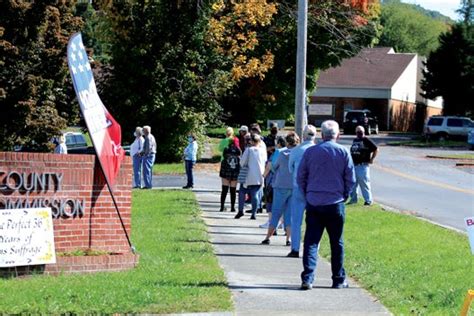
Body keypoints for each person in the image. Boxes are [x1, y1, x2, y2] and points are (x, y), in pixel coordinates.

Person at [297, 120, 355, 290]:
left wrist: (307, 193)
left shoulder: (310, 152)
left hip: (314, 202)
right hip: (335, 202)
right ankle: (338, 279)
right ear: (337, 135)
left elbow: (301, 176)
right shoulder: (343, 152)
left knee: (311, 241)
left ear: (322, 135)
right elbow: (350, 179)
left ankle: (308, 278)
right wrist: (344, 195)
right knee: (336, 242)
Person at [261, 132, 299, 246]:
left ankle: (268, 237)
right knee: (289, 213)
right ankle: (289, 239)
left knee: (276, 211)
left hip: (280, 185)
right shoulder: (299, 154)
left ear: (287, 142)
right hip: (293, 186)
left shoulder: (282, 153)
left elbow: (274, 166)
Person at [287, 125, 317, 258]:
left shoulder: (296, 150)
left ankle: (295, 248)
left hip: (298, 187)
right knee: (315, 221)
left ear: (303, 136)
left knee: (296, 221)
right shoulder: (318, 150)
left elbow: (290, 168)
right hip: (314, 189)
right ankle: (312, 250)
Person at [235, 133, 265, 219]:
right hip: (259, 175)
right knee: (255, 193)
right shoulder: (262, 151)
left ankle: (240, 211)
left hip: (247, 175)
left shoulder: (248, 150)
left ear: (251, 141)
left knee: (242, 192)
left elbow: (242, 162)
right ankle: (254, 213)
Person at [348, 125, 378, 206]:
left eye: (360, 132)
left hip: (363, 165)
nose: (359, 133)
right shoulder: (355, 140)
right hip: (354, 165)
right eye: (357, 132)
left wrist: (371, 159)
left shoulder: (366, 140)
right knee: (353, 183)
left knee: (364, 183)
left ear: (364, 132)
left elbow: (376, 149)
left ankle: (368, 200)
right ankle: (353, 199)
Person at [219, 137, 241, 212]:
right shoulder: (238, 150)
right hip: (235, 172)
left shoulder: (226, 149)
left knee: (224, 190)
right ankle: (232, 207)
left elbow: (224, 159)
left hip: (226, 171)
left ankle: (222, 206)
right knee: (233, 191)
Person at [141, 125, 156, 189]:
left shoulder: (148, 137)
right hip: (151, 154)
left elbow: (148, 147)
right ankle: (148, 184)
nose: (142, 131)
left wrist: (145, 154)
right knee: (148, 170)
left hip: (148, 155)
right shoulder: (151, 136)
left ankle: (148, 185)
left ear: (145, 131)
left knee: (146, 171)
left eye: (143, 130)